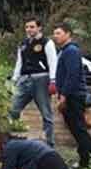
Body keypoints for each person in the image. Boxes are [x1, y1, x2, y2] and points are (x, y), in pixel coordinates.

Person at [53, 23, 91, 169]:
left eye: (59, 33)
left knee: (79, 131)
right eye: (54, 33)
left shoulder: (71, 51)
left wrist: (64, 96)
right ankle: (85, 160)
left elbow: (72, 76)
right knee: (78, 131)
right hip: (70, 95)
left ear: (68, 34)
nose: (55, 36)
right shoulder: (65, 51)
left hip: (73, 96)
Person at [8, 17, 58, 147]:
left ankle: (49, 143)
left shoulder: (46, 42)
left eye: (32, 27)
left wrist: (53, 80)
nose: (29, 29)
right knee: (13, 109)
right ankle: (13, 140)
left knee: (46, 113)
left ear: (39, 27)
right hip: (24, 79)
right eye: (27, 27)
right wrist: (14, 80)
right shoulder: (23, 44)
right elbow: (19, 63)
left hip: (41, 78)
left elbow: (53, 61)